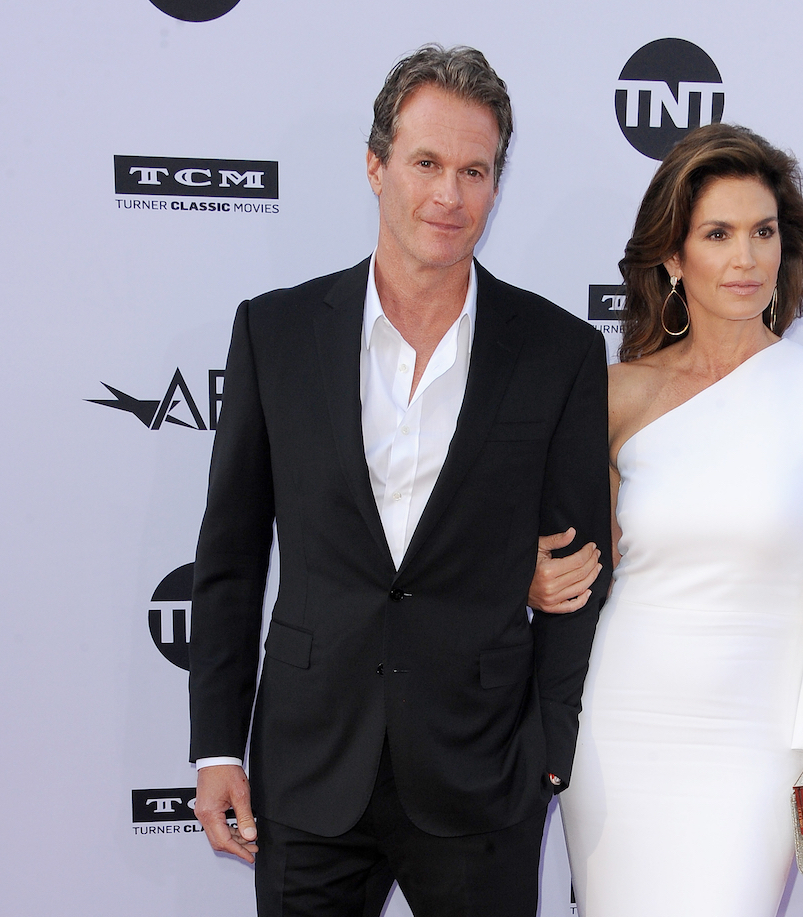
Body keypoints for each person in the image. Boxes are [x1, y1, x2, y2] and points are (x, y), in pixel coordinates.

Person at [187, 45, 612, 917]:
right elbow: (228, 558)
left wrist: (551, 746)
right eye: (426, 163)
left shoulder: (558, 351)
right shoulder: (276, 332)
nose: (449, 196)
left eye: (475, 170)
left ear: (497, 184)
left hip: (482, 770)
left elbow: (579, 569)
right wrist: (216, 748)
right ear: (376, 165)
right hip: (309, 769)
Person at [529, 123, 803, 916]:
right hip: (618, 727)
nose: (747, 258)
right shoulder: (615, 394)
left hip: (758, 739)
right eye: (718, 234)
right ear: (674, 257)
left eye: (764, 232)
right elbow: (568, 553)